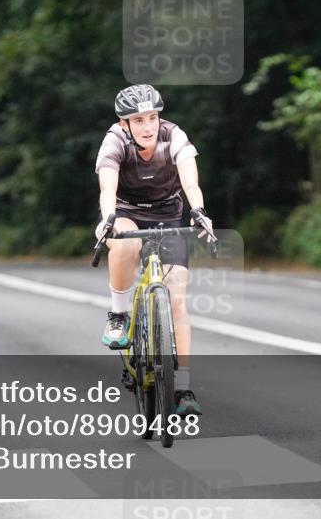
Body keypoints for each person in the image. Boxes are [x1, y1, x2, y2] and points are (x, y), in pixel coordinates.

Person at [94, 84, 215, 417]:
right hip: (125, 212)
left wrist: (199, 212)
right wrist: (108, 220)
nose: (148, 126)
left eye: (152, 118)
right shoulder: (114, 141)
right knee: (126, 240)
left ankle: (183, 387)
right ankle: (118, 315)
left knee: (177, 299)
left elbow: (190, 182)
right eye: (138, 120)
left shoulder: (173, 136)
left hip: (167, 213)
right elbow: (108, 187)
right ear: (125, 124)